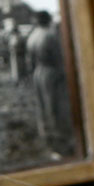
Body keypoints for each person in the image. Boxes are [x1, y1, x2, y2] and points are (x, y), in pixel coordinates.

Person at [25, 11, 74, 157]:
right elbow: (58, 57)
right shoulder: (50, 35)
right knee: (56, 105)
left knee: (42, 105)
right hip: (51, 72)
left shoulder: (32, 36)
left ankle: (46, 134)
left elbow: (29, 61)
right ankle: (60, 137)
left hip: (38, 73)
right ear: (48, 20)